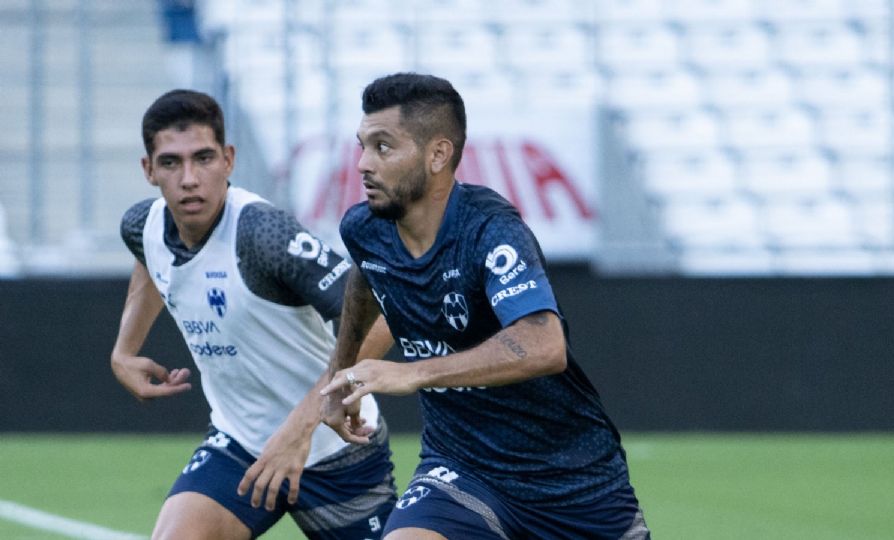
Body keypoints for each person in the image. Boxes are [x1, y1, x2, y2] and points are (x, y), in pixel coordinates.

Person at [245, 73, 651, 539]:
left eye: (382, 147)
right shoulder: (365, 228)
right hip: (460, 471)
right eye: (361, 146)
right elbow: (366, 277)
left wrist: (411, 372)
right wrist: (341, 374)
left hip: (572, 485)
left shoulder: (489, 230)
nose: (361, 164)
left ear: (438, 154)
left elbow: (544, 344)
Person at [111, 89, 397, 539]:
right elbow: (149, 255)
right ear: (148, 171)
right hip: (240, 445)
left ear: (228, 159)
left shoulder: (263, 235)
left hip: (334, 448)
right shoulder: (140, 224)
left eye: (203, 158)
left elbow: (379, 320)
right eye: (170, 162)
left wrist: (302, 426)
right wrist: (124, 350)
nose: (189, 178)